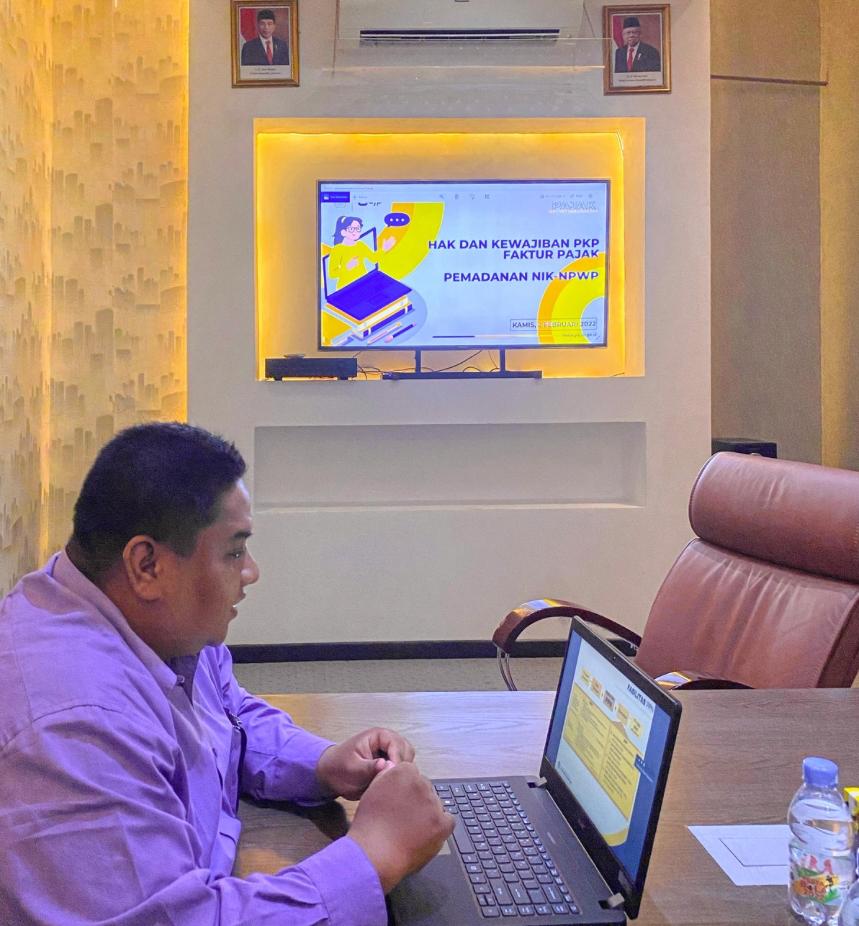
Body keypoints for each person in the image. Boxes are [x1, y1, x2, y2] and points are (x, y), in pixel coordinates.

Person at [0, 422, 454, 925]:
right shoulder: (74, 729)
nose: (252, 571)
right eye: (234, 551)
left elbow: (228, 715)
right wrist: (373, 858)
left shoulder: (153, 621)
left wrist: (323, 764)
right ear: (146, 565)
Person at [328, 215, 395, 291]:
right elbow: (332, 273)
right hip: (346, 287)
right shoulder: (337, 249)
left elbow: (373, 258)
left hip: (363, 283)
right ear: (343, 232)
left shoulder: (360, 245)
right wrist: (347, 267)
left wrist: (384, 249)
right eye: (351, 229)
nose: (355, 232)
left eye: (358, 229)